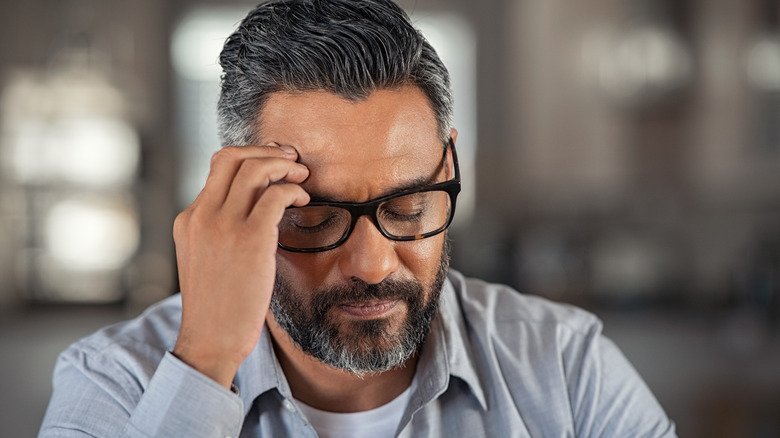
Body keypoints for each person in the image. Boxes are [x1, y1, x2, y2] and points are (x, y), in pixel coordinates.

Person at [40, 0, 676, 436]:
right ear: (236, 203)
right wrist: (205, 360)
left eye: (407, 207)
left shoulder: (567, 368)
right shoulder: (114, 384)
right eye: (314, 219)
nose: (372, 264)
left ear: (449, 164)